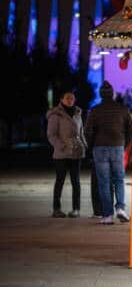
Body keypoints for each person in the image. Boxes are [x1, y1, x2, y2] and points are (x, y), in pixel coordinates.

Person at [84, 81, 132, 225]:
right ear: (112, 94)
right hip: (117, 146)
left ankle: (107, 216)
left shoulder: (94, 110)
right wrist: (125, 144)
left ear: (100, 95)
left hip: (99, 149)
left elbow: (87, 131)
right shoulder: (122, 109)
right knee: (118, 179)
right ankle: (120, 208)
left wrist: (90, 146)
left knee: (104, 182)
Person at [46, 90, 87, 218]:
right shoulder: (55, 115)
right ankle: (56, 209)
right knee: (60, 181)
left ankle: (76, 209)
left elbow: (81, 133)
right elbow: (51, 135)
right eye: (68, 98)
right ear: (61, 99)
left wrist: (85, 146)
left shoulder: (78, 113)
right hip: (61, 154)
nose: (70, 100)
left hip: (76, 152)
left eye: (72, 98)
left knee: (76, 181)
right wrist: (61, 146)